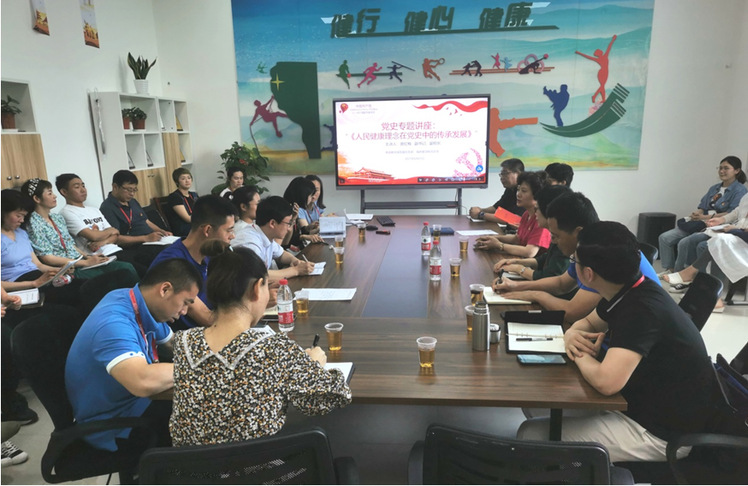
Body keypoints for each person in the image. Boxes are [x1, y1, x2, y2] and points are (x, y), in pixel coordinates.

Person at [517, 222, 723, 462]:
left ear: (588, 274)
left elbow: (606, 383)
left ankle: (569, 470)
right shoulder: (628, 288)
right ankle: (566, 466)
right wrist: (572, 335)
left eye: (575, 262)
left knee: (531, 434)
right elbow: (589, 322)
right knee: (536, 402)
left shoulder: (642, 311)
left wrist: (578, 352)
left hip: (661, 432)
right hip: (637, 401)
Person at [169, 241, 351, 446]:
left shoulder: (184, 342)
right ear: (257, 288)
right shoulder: (274, 348)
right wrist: (313, 365)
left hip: (191, 465)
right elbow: (332, 396)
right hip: (262, 466)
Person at [65, 259, 202, 453]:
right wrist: (207, 369)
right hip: (114, 423)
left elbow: (175, 345)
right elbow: (142, 380)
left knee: (207, 399)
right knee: (206, 419)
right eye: (185, 303)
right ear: (165, 290)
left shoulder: (137, 302)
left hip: (134, 401)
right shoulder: (112, 323)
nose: (184, 312)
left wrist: (218, 355)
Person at [492, 192, 659, 323]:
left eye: (556, 236)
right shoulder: (589, 245)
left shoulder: (603, 253)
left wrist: (536, 294)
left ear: (578, 232)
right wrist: (516, 286)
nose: (553, 242)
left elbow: (572, 312)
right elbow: (561, 284)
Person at [22, 178, 139, 282]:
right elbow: (47, 258)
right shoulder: (33, 223)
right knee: (122, 272)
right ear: (37, 198)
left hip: (81, 261)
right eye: (49, 193)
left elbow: (70, 245)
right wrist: (85, 262)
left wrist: (88, 257)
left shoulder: (57, 218)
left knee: (125, 267)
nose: (55, 196)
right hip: (68, 269)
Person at [149, 195, 237, 331]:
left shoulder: (210, 254)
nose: (233, 236)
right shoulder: (173, 263)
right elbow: (207, 318)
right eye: (229, 230)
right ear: (207, 230)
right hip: (188, 337)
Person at [658, 156, 746, 274]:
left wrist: (705, 218)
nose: (721, 171)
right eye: (720, 168)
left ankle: (683, 273)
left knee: (687, 243)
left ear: (737, 170)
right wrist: (697, 213)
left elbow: (731, 213)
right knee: (664, 237)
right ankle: (670, 270)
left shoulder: (740, 190)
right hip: (700, 222)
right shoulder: (714, 188)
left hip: (716, 226)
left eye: (726, 168)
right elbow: (703, 206)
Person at [56, 173, 151, 277]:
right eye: (77, 187)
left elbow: (116, 234)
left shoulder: (94, 210)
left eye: (83, 186)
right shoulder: (66, 212)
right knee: (144, 273)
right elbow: (93, 236)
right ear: (64, 192)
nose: (83, 190)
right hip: (101, 256)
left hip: (117, 250)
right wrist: (109, 231)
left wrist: (103, 241)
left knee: (152, 260)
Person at [1, 189, 84, 306]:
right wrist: (34, 283)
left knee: (85, 286)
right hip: (19, 283)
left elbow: (38, 265)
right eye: (18, 215)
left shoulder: (21, 233)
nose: (22, 220)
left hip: (37, 275)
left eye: (24, 216)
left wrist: (57, 271)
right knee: (74, 295)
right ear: (3, 213)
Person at [493, 185, 572, 281]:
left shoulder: (565, 240)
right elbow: (545, 258)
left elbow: (549, 277)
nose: (535, 213)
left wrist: (519, 269)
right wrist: (516, 262)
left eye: (537, 209)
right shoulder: (556, 234)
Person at [99, 170, 172, 266]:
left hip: (152, 240)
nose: (132, 194)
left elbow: (146, 221)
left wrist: (162, 231)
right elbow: (116, 238)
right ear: (115, 187)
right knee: (168, 253)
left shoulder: (132, 202)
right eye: (129, 190)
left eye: (134, 190)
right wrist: (146, 238)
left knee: (180, 245)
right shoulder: (107, 208)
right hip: (136, 246)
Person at [236, 196, 315, 279]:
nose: (289, 228)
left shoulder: (265, 234)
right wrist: (296, 270)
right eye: (288, 223)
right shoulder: (250, 242)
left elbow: (281, 254)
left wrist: (295, 261)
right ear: (272, 223)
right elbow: (258, 276)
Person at [474, 171, 551, 258]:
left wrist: (499, 245)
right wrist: (494, 238)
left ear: (537, 195)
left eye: (524, 191)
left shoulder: (541, 219)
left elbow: (529, 252)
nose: (518, 194)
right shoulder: (527, 214)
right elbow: (517, 238)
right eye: (518, 190)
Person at [469, 158, 525, 224]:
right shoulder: (510, 189)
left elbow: (514, 219)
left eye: (505, 173)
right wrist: (480, 210)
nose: (502, 178)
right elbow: (497, 208)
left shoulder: (525, 191)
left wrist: (480, 214)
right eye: (501, 174)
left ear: (518, 174)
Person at [283, 177, 323, 249]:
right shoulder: (286, 211)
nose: (311, 198)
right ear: (303, 195)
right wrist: (304, 236)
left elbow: (296, 234)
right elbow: (286, 241)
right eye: (310, 195)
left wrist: (308, 228)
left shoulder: (294, 207)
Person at [165, 167, 199, 237]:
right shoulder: (174, 197)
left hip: (196, 224)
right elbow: (187, 219)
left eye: (189, 178)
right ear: (177, 182)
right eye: (183, 179)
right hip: (183, 229)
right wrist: (204, 218)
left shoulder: (194, 195)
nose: (187, 181)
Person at [230, 185, 261, 249]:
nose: (261, 207)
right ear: (243, 207)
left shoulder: (255, 224)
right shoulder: (241, 229)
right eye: (258, 204)